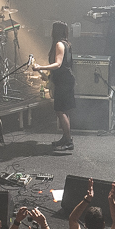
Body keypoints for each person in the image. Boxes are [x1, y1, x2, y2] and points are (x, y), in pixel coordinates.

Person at [33, 21, 75, 151]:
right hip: (64, 79)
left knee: (60, 111)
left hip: (64, 81)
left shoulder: (59, 44)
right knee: (64, 110)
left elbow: (58, 64)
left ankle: (69, 141)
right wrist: (48, 76)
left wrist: (41, 67)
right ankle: (66, 137)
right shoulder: (66, 44)